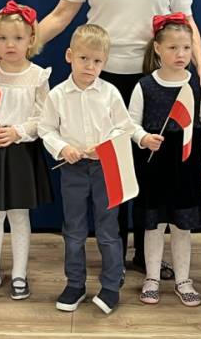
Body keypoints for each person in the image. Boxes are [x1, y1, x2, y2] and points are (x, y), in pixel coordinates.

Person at [38, 0, 201, 272]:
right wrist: (21, 44)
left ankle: (145, 255)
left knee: (149, 169)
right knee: (109, 170)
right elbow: (62, 14)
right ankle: (113, 253)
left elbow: (185, 20)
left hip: (155, 80)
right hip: (102, 78)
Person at [38, 24, 145, 316]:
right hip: (72, 169)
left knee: (108, 229)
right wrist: (63, 148)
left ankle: (110, 285)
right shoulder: (58, 95)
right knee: (74, 230)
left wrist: (110, 145)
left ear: (104, 62)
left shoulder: (109, 93)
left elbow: (124, 127)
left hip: (104, 168)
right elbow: (46, 129)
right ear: (69, 56)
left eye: (97, 61)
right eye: (84, 58)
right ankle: (75, 284)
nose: (90, 66)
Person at [0, 1, 53, 301]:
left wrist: (18, 131)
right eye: (2, 38)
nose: (10, 44)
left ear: (31, 40)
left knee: (18, 215)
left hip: (21, 154)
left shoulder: (38, 76)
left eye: (17, 38)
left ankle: (19, 273)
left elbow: (44, 118)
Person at [128, 14, 201, 307]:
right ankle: (151, 277)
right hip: (153, 164)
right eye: (173, 48)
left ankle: (183, 279)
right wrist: (143, 138)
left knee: (182, 226)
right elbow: (130, 124)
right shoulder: (145, 85)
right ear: (157, 49)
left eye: (186, 48)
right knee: (153, 225)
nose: (181, 54)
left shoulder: (198, 85)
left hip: (187, 164)